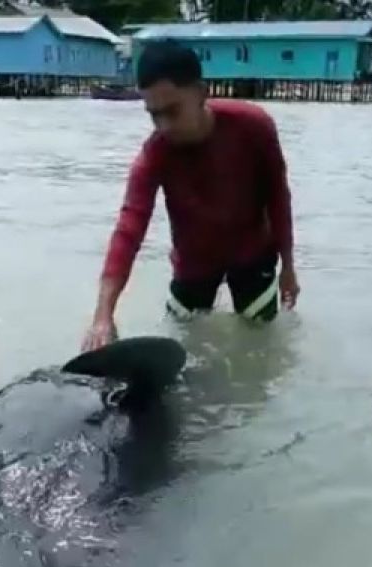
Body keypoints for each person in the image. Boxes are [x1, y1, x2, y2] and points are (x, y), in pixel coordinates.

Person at [81, 40, 300, 352]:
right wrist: (103, 315)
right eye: (154, 115)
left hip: (253, 254)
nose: (163, 126)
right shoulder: (154, 155)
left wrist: (289, 268)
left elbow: (279, 198)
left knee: (259, 348)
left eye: (172, 112)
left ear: (200, 93)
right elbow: (129, 230)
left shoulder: (254, 127)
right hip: (195, 261)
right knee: (183, 344)